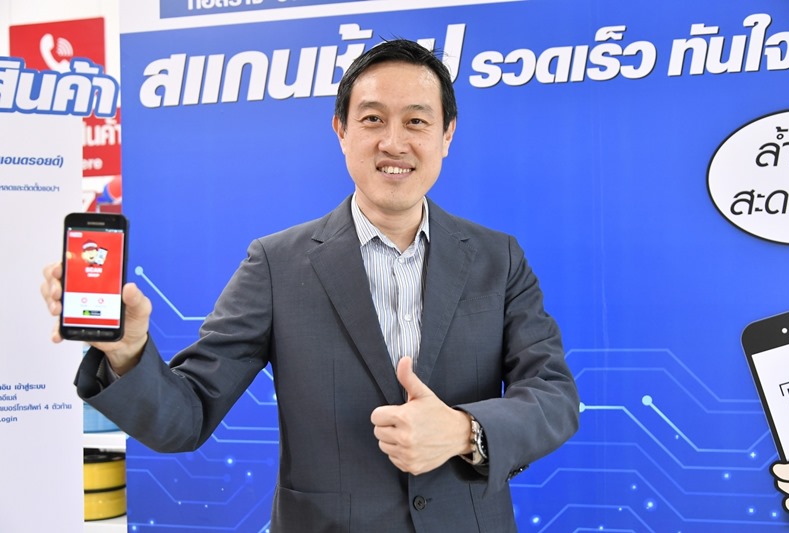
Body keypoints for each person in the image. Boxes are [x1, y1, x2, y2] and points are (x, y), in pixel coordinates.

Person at [42, 39, 579, 532]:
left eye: (416, 121)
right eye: (372, 119)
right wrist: (127, 352)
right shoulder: (276, 264)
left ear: (447, 135)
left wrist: (464, 431)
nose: (394, 142)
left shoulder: (498, 258)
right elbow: (186, 417)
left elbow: (554, 396)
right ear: (341, 131)